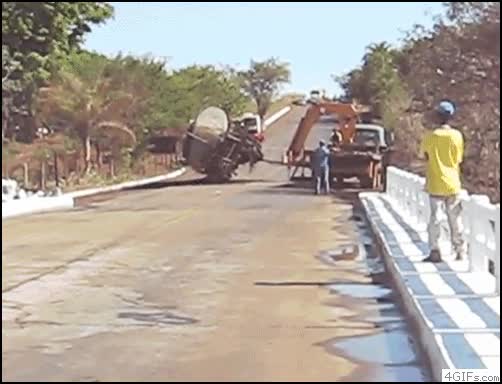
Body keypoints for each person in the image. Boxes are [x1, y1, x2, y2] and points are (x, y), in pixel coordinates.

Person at [420, 100, 467, 263]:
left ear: (437, 117)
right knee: (455, 219)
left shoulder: (430, 136)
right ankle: (460, 251)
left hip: (435, 182)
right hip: (453, 183)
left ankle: (435, 250)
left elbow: (426, 156)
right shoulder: (457, 136)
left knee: (436, 218)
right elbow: (458, 159)